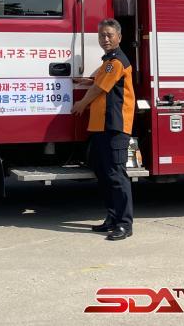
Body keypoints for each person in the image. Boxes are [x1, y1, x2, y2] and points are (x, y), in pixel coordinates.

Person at [72, 18, 135, 240]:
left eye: (109, 35)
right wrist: (86, 81)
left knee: (116, 175)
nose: (105, 39)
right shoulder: (107, 61)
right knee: (104, 173)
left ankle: (124, 224)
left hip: (115, 125)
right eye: (102, 35)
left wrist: (82, 104)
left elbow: (100, 88)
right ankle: (112, 218)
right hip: (102, 125)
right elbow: (98, 81)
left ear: (119, 37)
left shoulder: (116, 61)